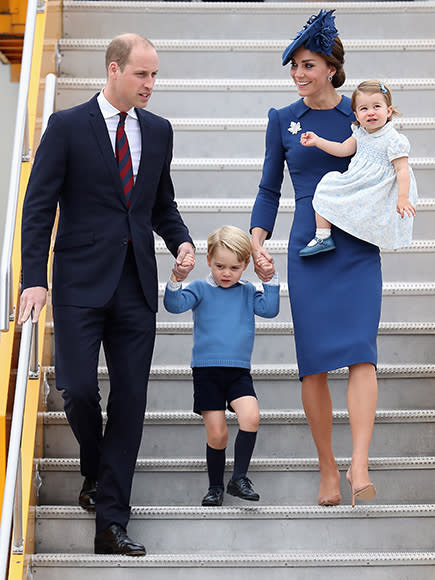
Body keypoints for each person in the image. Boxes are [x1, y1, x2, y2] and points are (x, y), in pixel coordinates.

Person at [18, 34, 195, 555]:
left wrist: (181, 240)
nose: (151, 84)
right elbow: (38, 207)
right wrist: (34, 277)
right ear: (113, 70)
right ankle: (95, 469)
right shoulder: (68, 126)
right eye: (142, 74)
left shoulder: (159, 132)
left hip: (136, 284)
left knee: (131, 401)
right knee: (76, 389)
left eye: (155, 75)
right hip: (77, 283)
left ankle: (111, 522)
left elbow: (161, 202)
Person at [250, 10, 381, 507]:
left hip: (357, 242)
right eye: (294, 68)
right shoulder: (283, 120)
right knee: (315, 366)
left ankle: (359, 463)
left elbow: (391, 160)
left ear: (330, 67)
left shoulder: (362, 112)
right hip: (309, 243)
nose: (299, 75)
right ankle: (328, 466)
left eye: (308, 66)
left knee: (362, 353)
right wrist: (258, 238)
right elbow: (269, 187)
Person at [164, 226, 279, 506]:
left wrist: (271, 279)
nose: (226, 273)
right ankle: (215, 486)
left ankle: (239, 477)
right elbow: (173, 305)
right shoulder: (201, 289)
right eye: (219, 266)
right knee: (217, 433)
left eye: (234, 267)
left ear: (245, 265)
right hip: (207, 372)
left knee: (250, 416)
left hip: (238, 371)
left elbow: (270, 309)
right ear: (209, 261)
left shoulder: (248, 290)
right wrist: (176, 279)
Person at [299, 80, 417, 257]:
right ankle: (323, 236)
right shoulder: (360, 133)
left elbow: (402, 170)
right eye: (364, 109)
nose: (370, 112)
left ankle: (361, 234)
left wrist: (403, 197)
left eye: (377, 106)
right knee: (327, 185)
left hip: (380, 189)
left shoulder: (394, 139)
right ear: (356, 114)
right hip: (359, 181)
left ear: (389, 111)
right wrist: (318, 141)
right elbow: (342, 149)